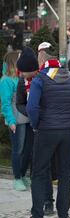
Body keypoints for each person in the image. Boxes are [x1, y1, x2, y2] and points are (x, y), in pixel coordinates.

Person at [21, 42, 70, 218]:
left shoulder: (40, 79)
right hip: (66, 132)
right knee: (65, 174)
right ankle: (63, 215)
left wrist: (36, 124)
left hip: (46, 131)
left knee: (39, 174)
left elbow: (32, 107)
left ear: (44, 62)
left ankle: (37, 217)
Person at [0, 50, 30, 191]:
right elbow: (5, 103)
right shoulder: (6, 80)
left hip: (28, 119)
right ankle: (17, 178)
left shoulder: (22, 77)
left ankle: (23, 175)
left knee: (27, 150)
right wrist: (11, 121)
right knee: (18, 150)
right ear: (14, 62)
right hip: (16, 121)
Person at [15, 47, 40, 190]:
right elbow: (19, 103)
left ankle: (38, 177)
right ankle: (24, 175)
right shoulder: (21, 82)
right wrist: (29, 112)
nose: (22, 74)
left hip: (45, 122)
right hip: (30, 121)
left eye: (23, 71)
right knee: (28, 150)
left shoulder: (42, 79)